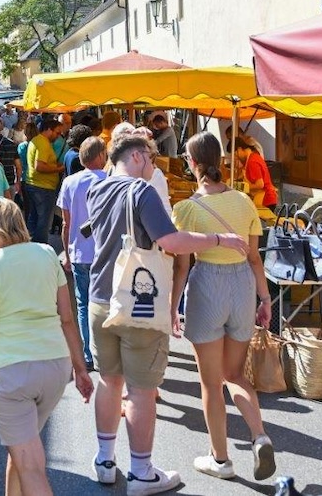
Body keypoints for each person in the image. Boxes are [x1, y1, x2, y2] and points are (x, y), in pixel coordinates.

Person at [85, 131, 250, 494]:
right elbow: (172, 242)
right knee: (142, 390)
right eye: (153, 159)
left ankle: (104, 459)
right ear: (140, 155)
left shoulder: (96, 189)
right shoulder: (142, 192)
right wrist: (220, 240)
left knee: (109, 382)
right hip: (137, 304)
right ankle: (142, 472)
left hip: (100, 298)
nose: (154, 167)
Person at [0, 199, 94, 496]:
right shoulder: (46, 254)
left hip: (8, 376)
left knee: (30, 465)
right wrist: (80, 369)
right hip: (54, 369)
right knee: (23, 452)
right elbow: (67, 319)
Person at [169, 133, 275, 481]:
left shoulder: (185, 209)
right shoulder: (244, 202)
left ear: (194, 164)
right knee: (235, 375)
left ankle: (221, 460)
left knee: (211, 383)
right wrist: (264, 297)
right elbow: (256, 258)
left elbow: (181, 266)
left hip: (207, 286)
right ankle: (259, 435)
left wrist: (172, 308)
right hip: (242, 283)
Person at [56, 136, 108, 370]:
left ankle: (88, 354)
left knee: (84, 304)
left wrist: (66, 253)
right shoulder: (111, 181)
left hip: (79, 253)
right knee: (107, 303)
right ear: (100, 156)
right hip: (106, 253)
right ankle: (106, 353)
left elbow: (66, 223)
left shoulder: (69, 182)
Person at [25, 116, 64, 244]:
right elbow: (40, 166)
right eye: (57, 133)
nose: (58, 136)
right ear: (48, 129)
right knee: (44, 221)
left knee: (35, 218)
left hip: (34, 184)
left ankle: (32, 246)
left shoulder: (36, 140)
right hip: (43, 187)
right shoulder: (43, 143)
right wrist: (59, 169)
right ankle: (41, 248)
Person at [238, 137, 278, 213]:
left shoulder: (252, 161)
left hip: (266, 199)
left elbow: (260, 184)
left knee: (273, 222)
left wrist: (244, 188)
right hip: (267, 198)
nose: (236, 157)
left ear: (240, 149)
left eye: (236, 154)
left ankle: (301, 223)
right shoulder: (253, 157)